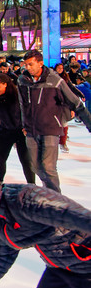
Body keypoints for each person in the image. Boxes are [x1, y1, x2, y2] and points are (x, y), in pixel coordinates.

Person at [17, 49, 91, 192]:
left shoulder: (55, 80)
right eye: (25, 64)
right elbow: (22, 105)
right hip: (31, 129)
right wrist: (23, 124)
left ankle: (55, 198)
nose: (27, 68)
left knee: (48, 166)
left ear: (40, 63)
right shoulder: (22, 81)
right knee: (35, 166)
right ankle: (49, 191)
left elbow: (75, 103)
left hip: (50, 127)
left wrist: (89, 124)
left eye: (30, 64)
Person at [0, 73, 35, 184]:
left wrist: (28, 128)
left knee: (25, 160)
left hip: (21, 132)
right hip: (5, 132)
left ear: (5, 84)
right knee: (0, 159)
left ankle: (31, 184)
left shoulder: (17, 95)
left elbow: (29, 113)